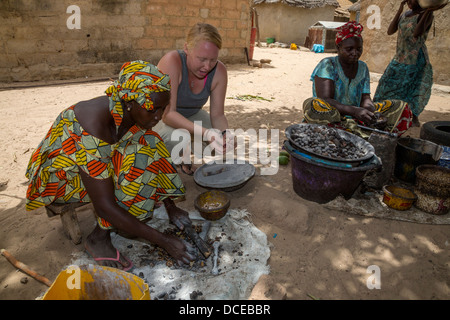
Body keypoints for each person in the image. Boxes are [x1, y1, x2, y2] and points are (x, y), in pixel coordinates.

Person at [25, 61, 197, 271]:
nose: (158, 116)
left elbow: (153, 153)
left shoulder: (127, 109)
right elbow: (104, 206)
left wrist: (171, 206)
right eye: (153, 109)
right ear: (129, 103)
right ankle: (98, 239)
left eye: (163, 108)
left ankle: (153, 205)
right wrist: (165, 242)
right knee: (133, 175)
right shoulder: (92, 126)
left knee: (149, 142)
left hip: (92, 164)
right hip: (59, 177)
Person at [302, 21, 413, 138]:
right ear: (338, 47)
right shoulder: (327, 64)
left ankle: (358, 130)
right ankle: (347, 130)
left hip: (357, 116)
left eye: (359, 49)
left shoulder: (363, 67)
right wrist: (354, 111)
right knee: (314, 104)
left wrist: (372, 114)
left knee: (399, 106)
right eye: (349, 49)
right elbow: (325, 99)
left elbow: (365, 98)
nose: (355, 53)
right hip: (333, 115)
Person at [154, 23, 232, 175]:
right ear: (187, 49)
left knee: (218, 138)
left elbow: (218, 115)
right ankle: (166, 164)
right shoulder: (172, 62)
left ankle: (187, 159)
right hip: (158, 118)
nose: (207, 66)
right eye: (201, 59)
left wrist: (225, 135)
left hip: (190, 115)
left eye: (213, 60)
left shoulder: (219, 71)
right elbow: (168, 114)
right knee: (177, 138)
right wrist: (206, 134)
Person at [374, 0, 447, 127]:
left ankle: (412, 117)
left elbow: (417, 33)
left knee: (412, 89)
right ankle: (381, 110)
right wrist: (399, 10)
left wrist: (428, 11)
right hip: (400, 57)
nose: (408, 1)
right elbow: (390, 31)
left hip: (416, 59)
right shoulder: (404, 14)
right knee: (385, 84)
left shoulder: (427, 15)